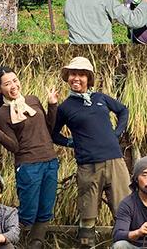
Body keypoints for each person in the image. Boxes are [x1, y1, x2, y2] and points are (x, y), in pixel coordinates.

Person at [0, 67, 59, 249]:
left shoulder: (33, 100)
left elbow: (50, 129)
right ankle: (2, 242)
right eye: (7, 83)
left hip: (50, 161)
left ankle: (36, 243)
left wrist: (52, 105)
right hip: (28, 166)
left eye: (15, 80)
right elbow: (14, 147)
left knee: (45, 209)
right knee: (28, 212)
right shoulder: (1, 115)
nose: (13, 85)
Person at [51, 57, 131, 248]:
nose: (76, 78)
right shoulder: (65, 107)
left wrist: (116, 134)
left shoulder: (100, 98)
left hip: (115, 162)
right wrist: (72, 142)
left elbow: (123, 111)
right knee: (87, 215)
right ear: (67, 77)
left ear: (88, 78)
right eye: (72, 74)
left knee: (124, 211)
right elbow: (53, 134)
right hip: (88, 166)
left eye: (81, 74)